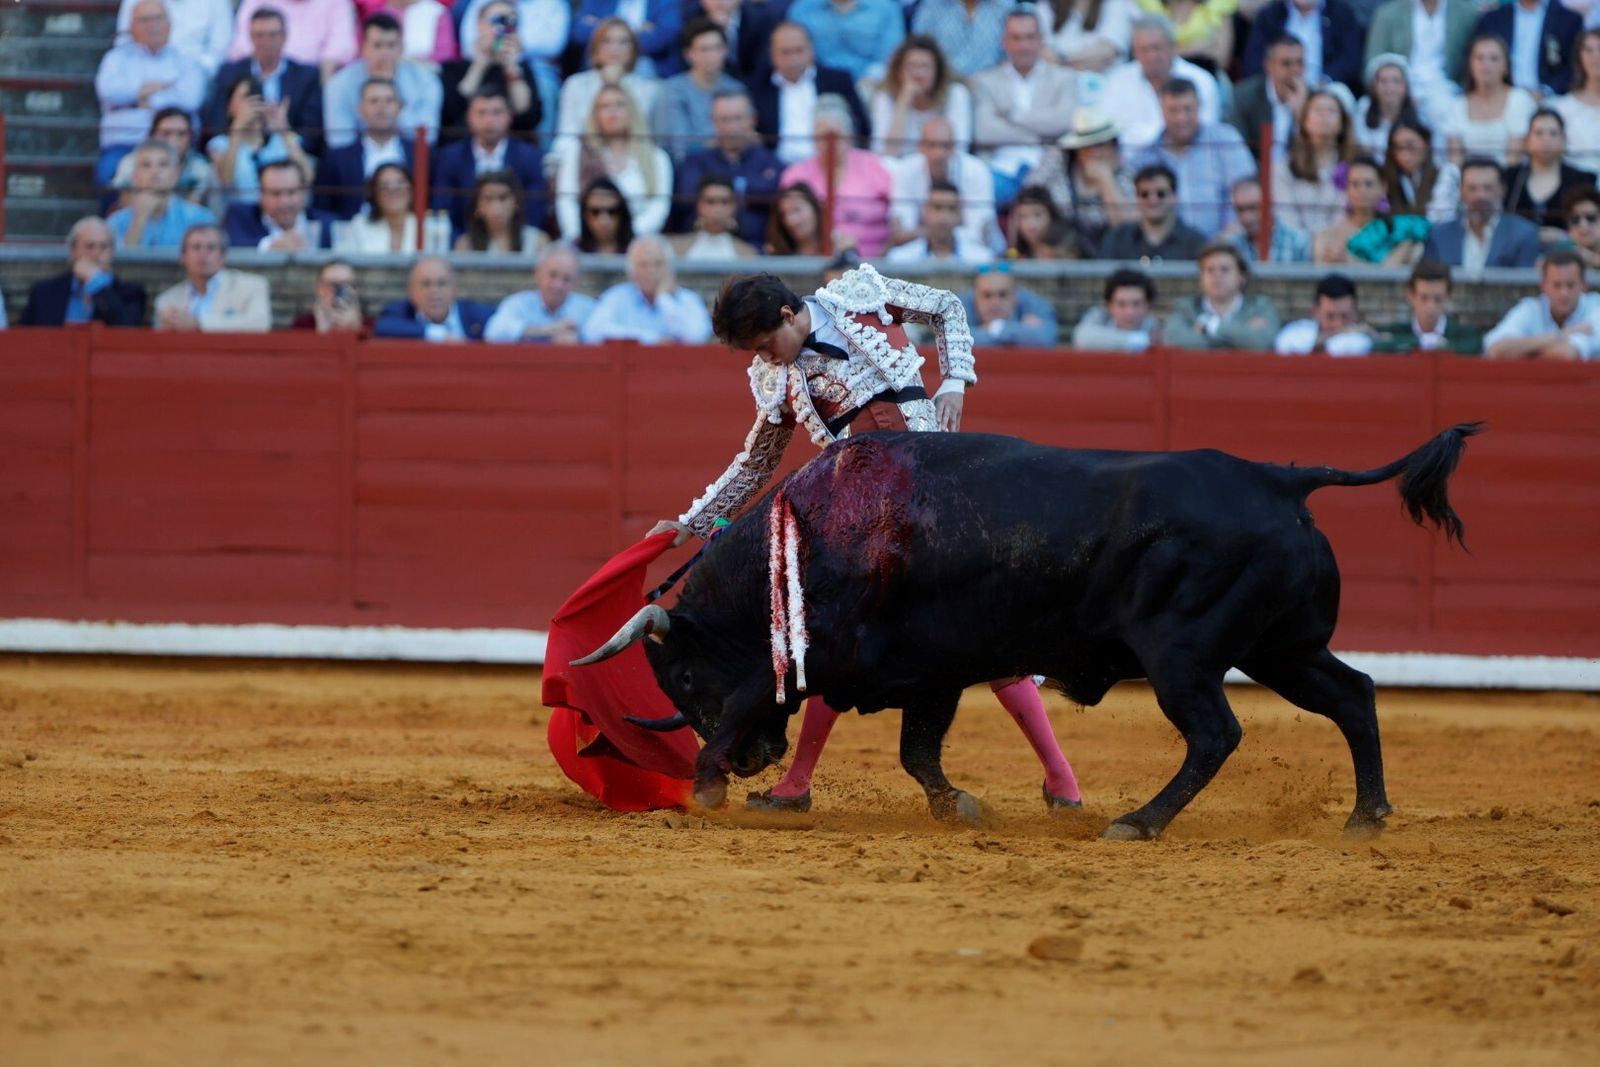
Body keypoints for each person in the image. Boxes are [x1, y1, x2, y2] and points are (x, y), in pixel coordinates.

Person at [648, 265, 1083, 814]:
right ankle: (796, 784)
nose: (765, 358)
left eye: (765, 344)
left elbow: (947, 306)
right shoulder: (776, 379)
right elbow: (756, 462)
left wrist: (954, 381)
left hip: (937, 495)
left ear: (787, 314)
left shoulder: (859, 297)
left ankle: (1062, 779)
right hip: (866, 521)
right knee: (838, 638)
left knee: (984, 632)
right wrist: (691, 522)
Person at [95, 0, 207, 190]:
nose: (152, 25)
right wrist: (165, 90)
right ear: (131, 27)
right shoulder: (116, 59)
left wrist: (144, 98)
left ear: (170, 24)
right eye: (145, 20)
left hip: (177, 148)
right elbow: (108, 90)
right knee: (108, 175)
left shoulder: (186, 61)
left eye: (158, 19)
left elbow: (191, 98)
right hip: (126, 143)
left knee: (199, 179)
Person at [969, 7, 1079, 194]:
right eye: (1016, 38)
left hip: (1052, 171)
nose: (1023, 46)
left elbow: (1066, 121)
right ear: (1004, 42)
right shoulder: (984, 81)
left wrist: (1012, 115)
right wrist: (1038, 137)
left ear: (1041, 40)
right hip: (999, 170)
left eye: (1030, 37)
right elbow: (984, 131)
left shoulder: (1064, 78)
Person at [1131, 77, 1256, 237]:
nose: (1181, 118)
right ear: (1161, 110)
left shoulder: (1226, 139)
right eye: (1173, 110)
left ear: (1199, 107)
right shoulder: (1145, 158)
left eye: (1187, 109)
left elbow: (1249, 195)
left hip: (1228, 243)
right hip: (1168, 248)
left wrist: (1219, 244)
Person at [554, 84, 674, 240]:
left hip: (638, 242)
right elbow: (566, 201)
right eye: (605, 106)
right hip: (585, 242)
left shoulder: (657, 158)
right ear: (595, 114)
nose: (613, 111)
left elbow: (659, 208)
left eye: (620, 105)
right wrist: (580, 236)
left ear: (632, 111)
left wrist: (627, 235)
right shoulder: (576, 152)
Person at [780, 95, 894, 257]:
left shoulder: (874, 166)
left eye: (836, 136)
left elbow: (897, 219)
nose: (830, 144)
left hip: (875, 261)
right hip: (815, 262)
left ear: (849, 135)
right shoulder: (795, 175)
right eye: (822, 138)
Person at [204, 7, 326, 153]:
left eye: (272, 35)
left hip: (288, 154)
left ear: (284, 36)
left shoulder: (306, 77)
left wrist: (284, 129)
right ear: (250, 37)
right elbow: (215, 125)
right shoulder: (229, 73)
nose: (265, 41)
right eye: (259, 35)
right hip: (239, 150)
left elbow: (312, 135)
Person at [673, 89, 783, 247]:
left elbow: (774, 194)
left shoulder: (770, 162)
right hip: (702, 249)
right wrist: (747, 188)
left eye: (737, 118)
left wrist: (720, 187)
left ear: (753, 119)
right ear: (713, 122)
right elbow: (689, 194)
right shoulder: (695, 161)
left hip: (758, 249)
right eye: (724, 120)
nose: (731, 127)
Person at [751, 21, 872, 166]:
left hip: (830, 165)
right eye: (785, 52)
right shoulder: (757, 87)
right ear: (772, 54)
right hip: (775, 167)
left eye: (799, 50)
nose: (793, 59)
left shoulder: (837, 81)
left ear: (811, 49)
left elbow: (860, 128)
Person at [430, 86, 546, 233]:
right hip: (464, 242)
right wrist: (464, 243)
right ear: (469, 116)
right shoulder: (450, 157)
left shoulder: (530, 157)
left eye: (496, 112)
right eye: (481, 113)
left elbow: (535, 213)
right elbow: (443, 211)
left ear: (509, 116)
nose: (489, 120)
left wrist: (512, 242)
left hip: (516, 242)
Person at [1023, 108, 1135, 256]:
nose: (1095, 152)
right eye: (1088, 145)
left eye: (1101, 144)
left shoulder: (1125, 173)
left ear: (1113, 145)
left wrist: (1105, 180)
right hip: (1059, 251)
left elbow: (1126, 229)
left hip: (1109, 254)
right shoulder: (1058, 160)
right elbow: (1028, 195)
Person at [324, 13, 443, 149]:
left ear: (401, 48)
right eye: (377, 45)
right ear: (363, 48)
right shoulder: (339, 84)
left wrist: (393, 95)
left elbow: (428, 137)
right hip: (358, 157)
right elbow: (339, 141)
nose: (384, 52)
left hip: (408, 156)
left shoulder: (426, 81)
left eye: (391, 45)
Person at [1102, 15, 1220, 148]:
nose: (1151, 56)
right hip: (1130, 159)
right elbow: (1109, 132)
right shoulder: (1117, 81)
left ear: (1173, 47)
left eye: (1157, 48)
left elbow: (1203, 133)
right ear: (1134, 52)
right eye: (1144, 49)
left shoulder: (1201, 80)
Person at [1363, 0, 1480, 132]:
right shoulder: (1388, 14)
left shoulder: (1466, 12)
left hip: (1446, 89)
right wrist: (1401, 92)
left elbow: (1475, 56)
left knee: (1448, 116)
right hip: (1400, 84)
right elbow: (1373, 63)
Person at [207, 70, 318, 207]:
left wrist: (284, 131)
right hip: (241, 215)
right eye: (245, 97)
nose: (252, 102)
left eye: (257, 96)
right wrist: (237, 131)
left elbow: (307, 177)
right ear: (229, 107)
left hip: (280, 211)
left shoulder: (282, 140)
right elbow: (225, 180)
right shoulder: (220, 144)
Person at [889, 116, 1001, 253]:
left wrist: (930, 231)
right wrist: (944, 231)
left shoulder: (977, 171)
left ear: (954, 147)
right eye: (932, 145)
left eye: (945, 146)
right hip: (919, 251)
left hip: (972, 252)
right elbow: (901, 233)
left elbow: (979, 234)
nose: (939, 154)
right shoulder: (905, 170)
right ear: (920, 146)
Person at [438, 0, 542, 145]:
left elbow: (527, 115)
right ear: (480, 24)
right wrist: (481, 62)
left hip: (511, 147)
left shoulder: (523, 68)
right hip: (462, 146)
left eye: (510, 22)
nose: (502, 29)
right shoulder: (454, 68)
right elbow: (453, 110)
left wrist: (510, 65)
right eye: (497, 20)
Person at [313, 78, 417, 219]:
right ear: (360, 109)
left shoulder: (422, 154)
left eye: (389, 101)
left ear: (400, 107)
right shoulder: (336, 159)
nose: (381, 108)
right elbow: (323, 209)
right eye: (374, 101)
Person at [580, 236, 713, 343]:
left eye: (658, 264)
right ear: (631, 272)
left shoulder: (688, 299)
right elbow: (593, 331)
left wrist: (664, 298)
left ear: (669, 269)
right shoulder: (616, 297)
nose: (651, 271)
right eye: (643, 265)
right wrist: (651, 339)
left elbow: (696, 336)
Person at [20, 217, 148, 327]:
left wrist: (96, 283)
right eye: (89, 246)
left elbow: (127, 328)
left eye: (104, 247)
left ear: (112, 253)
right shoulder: (44, 292)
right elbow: (24, 336)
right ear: (73, 251)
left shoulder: (131, 293)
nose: (96, 253)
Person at [555, 18, 661, 148]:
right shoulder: (575, 85)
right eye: (606, 41)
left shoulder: (650, 90)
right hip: (584, 156)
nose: (615, 48)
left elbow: (648, 140)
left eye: (623, 42)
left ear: (633, 51)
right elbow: (566, 136)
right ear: (595, 49)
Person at [651, 19, 743, 164]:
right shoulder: (672, 90)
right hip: (687, 168)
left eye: (716, 48)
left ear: (725, 51)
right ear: (688, 54)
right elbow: (678, 148)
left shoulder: (737, 89)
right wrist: (723, 143)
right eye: (704, 49)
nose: (711, 56)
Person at [1422, 157, 1541, 270]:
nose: (1480, 196)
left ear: (1502, 189)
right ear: (1460, 191)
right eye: (1472, 188)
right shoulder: (1439, 236)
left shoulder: (1523, 234)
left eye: (1488, 188)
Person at [1482, 247, 1600, 360]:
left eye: (1570, 285)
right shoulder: (1531, 308)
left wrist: (1519, 351)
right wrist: (1562, 334)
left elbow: (1567, 354)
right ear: (1544, 286)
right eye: (1557, 285)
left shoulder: (1595, 308)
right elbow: (1496, 349)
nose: (1564, 293)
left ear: (1584, 286)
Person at [1163, 241, 1282, 349]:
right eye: (1210, 270)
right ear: (1201, 277)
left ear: (1242, 277)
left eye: (1225, 270)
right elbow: (1173, 340)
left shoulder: (1259, 306)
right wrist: (1240, 337)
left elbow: (1262, 342)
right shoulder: (1186, 307)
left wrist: (1210, 327)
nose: (1217, 276)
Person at [153, 223, 271, 332]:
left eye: (211, 247)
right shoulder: (167, 300)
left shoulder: (251, 287)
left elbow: (260, 323)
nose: (203, 253)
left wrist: (198, 323)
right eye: (196, 247)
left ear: (223, 257)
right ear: (183, 257)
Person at [870, 35, 973, 159]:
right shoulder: (884, 97)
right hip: (898, 168)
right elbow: (884, 154)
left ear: (938, 72)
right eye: (911, 66)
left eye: (925, 66)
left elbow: (959, 150)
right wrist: (903, 102)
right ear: (899, 71)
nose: (918, 74)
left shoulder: (956, 94)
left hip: (940, 167)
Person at [1271, 89, 1357, 235]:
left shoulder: (1355, 167)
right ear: (1304, 121)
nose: (1324, 116)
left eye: (1331, 111)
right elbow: (1285, 217)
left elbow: (1349, 216)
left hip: (1339, 243)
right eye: (1318, 110)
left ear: (1342, 124)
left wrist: (1326, 241)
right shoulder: (1283, 168)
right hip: (1295, 244)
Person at [1441, 35, 1536, 166]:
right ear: (1470, 65)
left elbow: (1515, 158)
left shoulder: (1520, 99)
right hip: (1468, 177)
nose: (1485, 64)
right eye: (1479, 58)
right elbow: (1455, 159)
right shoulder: (1457, 105)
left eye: (1494, 58)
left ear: (1506, 67)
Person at [1313, 155, 1426, 265]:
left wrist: (1349, 261)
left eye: (1369, 184)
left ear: (1383, 188)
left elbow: (1389, 274)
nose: (1362, 190)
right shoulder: (1329, 237)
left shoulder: (1400, 233)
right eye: (1355, 184)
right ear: (1346, 188)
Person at [107, 140, 218, 249]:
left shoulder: (201, 219)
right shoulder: (116, 223)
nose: (155, 171)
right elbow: (120, 260)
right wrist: (139, 219)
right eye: (146, 165)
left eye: (163, 165)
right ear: (135, 176)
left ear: (176, 174)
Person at [1503, 110, 1597, 237]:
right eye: (1539, 133)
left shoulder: (1583, 180)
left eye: (1553, 133)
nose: (1546, 140)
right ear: (1527, 140)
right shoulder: (1510, 177)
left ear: (1564, 139)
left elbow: (1592, 225)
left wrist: (1563, 237)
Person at [109, 107, 221, 214]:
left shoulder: (201, 168)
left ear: (191, 138)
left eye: (181, 134)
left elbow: (192, 211)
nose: (173, 140)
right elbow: (126, 204)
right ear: (153, 135)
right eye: (166, 134)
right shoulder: (131, 162)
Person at [1240, 0, 1364, 92]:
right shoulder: (1270, 15)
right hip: (1276, 89)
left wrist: (1324, 81)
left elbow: (1350, 59)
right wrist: (1276, 84)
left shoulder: (1341, 13)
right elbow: (1253, 59)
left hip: (1325, 90)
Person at [485, 244, 598, 342]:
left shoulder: (588, 308)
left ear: (576, 282)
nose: (558, 285)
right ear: (538, 273)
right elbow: (493, 332)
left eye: (566, 279)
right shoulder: (518, 303)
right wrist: (547, 331)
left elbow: (601, 334)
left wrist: (579, 337)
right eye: (552, 275)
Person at [1471, 0, 1580, 97]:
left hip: (1551, 100)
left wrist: (1546, 91)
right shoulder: (1493, 19)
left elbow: (1573, 64)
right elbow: (1474, 56)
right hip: (1502, 98)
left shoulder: (1568, 19)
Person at [1100, 162, 1207, 260]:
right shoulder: (1118, 239)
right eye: (1144, 194)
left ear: (1174, 197)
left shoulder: (1194, 242)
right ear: (1136, 198)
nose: (1153, 200)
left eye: (1160, 194)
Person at [1372, 260, 1483, 353]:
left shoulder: (1465, 335)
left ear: (1448, 297)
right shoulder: (1396, 332)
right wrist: (1423, 341)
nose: (1431, 306)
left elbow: (1474, 345)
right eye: (1423, 298)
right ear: (1411, 295)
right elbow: (1378, 345)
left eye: (1438, 299)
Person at [1230, 34, 1309, 163]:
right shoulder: (1244, 96)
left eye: (1300, 63)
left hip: (1299, 173)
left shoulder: (1312, 98)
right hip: (1256, 171)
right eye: (1286, 63)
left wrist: (1301, 114)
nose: (1295, 70)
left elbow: (1315, 153)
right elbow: (1238, 149)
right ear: (1269, 65)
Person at [224, 159, 338, 249]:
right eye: (276, 193)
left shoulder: (327, 224)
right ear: (261, 194)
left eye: (291, 192)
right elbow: (230, 246)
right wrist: (270, 246)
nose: (284, 201)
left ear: (304, 192)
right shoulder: (239, 217)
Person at [226, 0, 360, 77]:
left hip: (315, 76)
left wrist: (327, 66)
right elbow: (242, 41)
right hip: (264, 71)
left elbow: (343, 44)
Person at [375, 257, 494, 340]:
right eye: (426, 284)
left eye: (442, 283)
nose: (434, 291)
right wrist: (437, 334)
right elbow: (383, 327)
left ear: (455, 288)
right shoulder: (401, 312)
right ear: (411, 291)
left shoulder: (476, 314)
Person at [787, 0, 904, 84]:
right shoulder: (803, 8)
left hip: (870, 84)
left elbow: (890, 56)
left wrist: (869, 81)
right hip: (815, 82)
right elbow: (791, 49)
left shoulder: (886, 8)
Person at [114, 0, 232, 77]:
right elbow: (124, 43)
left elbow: (218, 54)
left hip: (196, 78)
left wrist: (186, 75)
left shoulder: (217, 2)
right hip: (141, 76)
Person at [885, 181, 994, 265]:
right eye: (937, 207)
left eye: (951, 208)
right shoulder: (899, 259)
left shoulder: (982, 259)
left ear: (960, 215)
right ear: (925, 211)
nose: (944, 216)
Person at [571, 0, 682, 76]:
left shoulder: (665, 2)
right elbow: (580, 33)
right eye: (608, 40)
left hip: (646, 69)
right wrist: (637, 31)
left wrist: (602, 27)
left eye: (624, 41)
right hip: (598, 68)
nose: (616, 46)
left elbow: (663, 38)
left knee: (644, 67)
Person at [1273, 273, 1375, 355]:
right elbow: (1284, 344)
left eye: (1345, 316)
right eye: (1330, 316)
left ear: (1355, 313)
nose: (1338, 323)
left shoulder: (1360, 338)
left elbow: (1343, 348)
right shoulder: (1297, 332)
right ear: (1315, 311)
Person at [1382, 116, 1460, 223]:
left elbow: (1441, 219)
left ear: (1426, 143)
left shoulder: (1446, 172)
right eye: (1398, 147)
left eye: (1410, 146)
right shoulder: (1388, 177)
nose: (1404, 155)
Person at [963, 262, 1060, 346]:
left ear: (1015, 295)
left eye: (1002, 295)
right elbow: (954, 340)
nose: (995, 302)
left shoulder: (1033, 303)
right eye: (987, 295)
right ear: (974, 296)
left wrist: (996, 328)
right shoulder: (961, 304)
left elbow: (1047, 337)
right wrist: (1021, 330)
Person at [1220, 176, 1312, 263]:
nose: (1247, 217)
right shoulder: (1232, 245)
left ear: (1270, 203)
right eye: (1240, 209)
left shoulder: (1298, 242)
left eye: (1253, 208)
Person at [910, 0, 1012, 78]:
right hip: (943, 82)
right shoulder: (932, 6)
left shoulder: (1003, 7)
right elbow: (920, 48)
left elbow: (1011, 53)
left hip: (991, 83)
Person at [452, 171, 549, 253]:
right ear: (477, 205)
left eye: (503, 198)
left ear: (516, 202)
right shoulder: (465, 245)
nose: (496, 207)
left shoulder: (537, 242)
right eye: (488, 198)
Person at [669, 175, 760, 258]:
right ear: (699, 205)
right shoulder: (675, 248)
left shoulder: (748, 254)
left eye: (724, 202)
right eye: (710, 202)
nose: (717, 209)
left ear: (734, 207)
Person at [337, 163, 421, 252]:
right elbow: (343, 258)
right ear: (374, 194)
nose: (393, 190)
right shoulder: (359, 225)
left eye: (400, 184)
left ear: (412, 190)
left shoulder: (427, 225)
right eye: (385, 186)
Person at [1071, 267, 1160, 351]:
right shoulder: (1100, 316)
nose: (1130, 312)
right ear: (1109, 305)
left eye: (1136, 304)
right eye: (1121, 304)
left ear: (1148, 305)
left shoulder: (1154, 327)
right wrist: (1139, 340)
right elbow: (1082, 337)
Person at [1354, 54, 1422, 160]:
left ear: (1406, 86)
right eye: (1383, 81)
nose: (1390, 87)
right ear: (1374, 86)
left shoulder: (1420, 112)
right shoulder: (1364, 107)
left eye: (1396, 81)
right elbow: (1364, 149)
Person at [1552, 30, 1600, 174]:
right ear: (1580, 56)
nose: (1595, 56)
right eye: (1588, 50)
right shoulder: (1564, 107)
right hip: (1576, 182)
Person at [1047, 0, 1137, 72]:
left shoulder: (1115, 3)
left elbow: (1109, 50)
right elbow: (1043, 53)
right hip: (1058, 84)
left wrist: (1062, 58)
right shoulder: (1051, 5)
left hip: (1105, 84)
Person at [291, 260, 370, 333]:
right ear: (319, 288)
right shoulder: (302, 325)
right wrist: (322, 332)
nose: (340, 293)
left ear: (355, 290)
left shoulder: (370, 326)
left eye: (347, 285)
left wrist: (355, 329)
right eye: (332, 285)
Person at [1007, 187, 1080, 259]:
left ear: (1051, 214)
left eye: (1037, 215)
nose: (1030, 224)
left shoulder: (1068, 241)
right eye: (1022, 216)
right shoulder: (1015, 248)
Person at [765, 183, 837, 255]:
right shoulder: (777, 255)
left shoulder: (837, 248)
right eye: (784, 214)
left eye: (797, 210)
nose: (791, 221)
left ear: (815, 208)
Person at [379, 0, 458, 65]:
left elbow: (445, 55)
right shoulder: (383, 12)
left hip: (426, 73)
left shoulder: (437, 12)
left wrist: (412, 62)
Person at [575, 176, 636, 253]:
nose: (604, 220)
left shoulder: (639, 249)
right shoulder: (572, 251)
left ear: (622, 213)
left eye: (612, 212)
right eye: (595, 212)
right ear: (585, 215)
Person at [1563, 185, 1600, 269]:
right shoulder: (1561, 251)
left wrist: (1592, 259)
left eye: (1590, 218)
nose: (1583, 225)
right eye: (1575, 220)